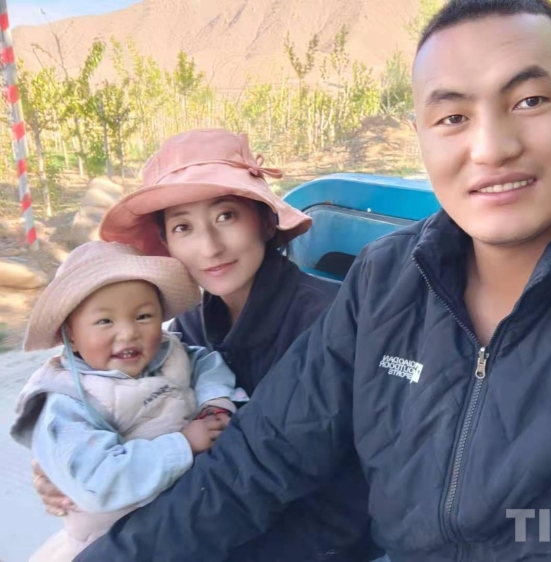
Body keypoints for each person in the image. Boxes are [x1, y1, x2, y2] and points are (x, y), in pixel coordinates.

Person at [75, 1, 551, 560]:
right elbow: (259, 460)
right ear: (421, 135)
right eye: (453, 117)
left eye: (530, 100)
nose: (491, 147)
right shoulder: (384, 282)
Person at [34, 129, 379, 561]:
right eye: (183, 227)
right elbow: (133, 411)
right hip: (215, 513)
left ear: (265, 221)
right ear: (167, 244)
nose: (210, 247)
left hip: (310, 529)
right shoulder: (191, 327)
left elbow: (260, 473)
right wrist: (70, 463)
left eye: (226, 216)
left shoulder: (324, 323)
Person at [11, 240, 236, 562]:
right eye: (105, 321)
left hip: (183, 522)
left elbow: (206, 364)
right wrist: (183, 444)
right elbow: (99, 481)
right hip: (114, 543)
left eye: (143, 316)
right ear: (70, 334)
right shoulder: (68, 401)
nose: (129, 332)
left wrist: (214, 403)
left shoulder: (170, 354)